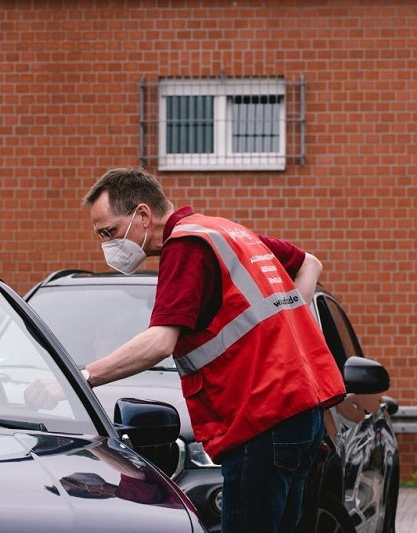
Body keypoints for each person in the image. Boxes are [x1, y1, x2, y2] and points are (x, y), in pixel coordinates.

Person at [79, 167, 346, 533]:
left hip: (261, 419)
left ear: (143, 215)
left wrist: (84, 377)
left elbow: (160, 341)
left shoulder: (186, 247)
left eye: (109, 232)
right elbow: (309, 263)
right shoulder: (223, 231)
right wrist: (290, 317)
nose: (108, 246)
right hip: (299, 412)